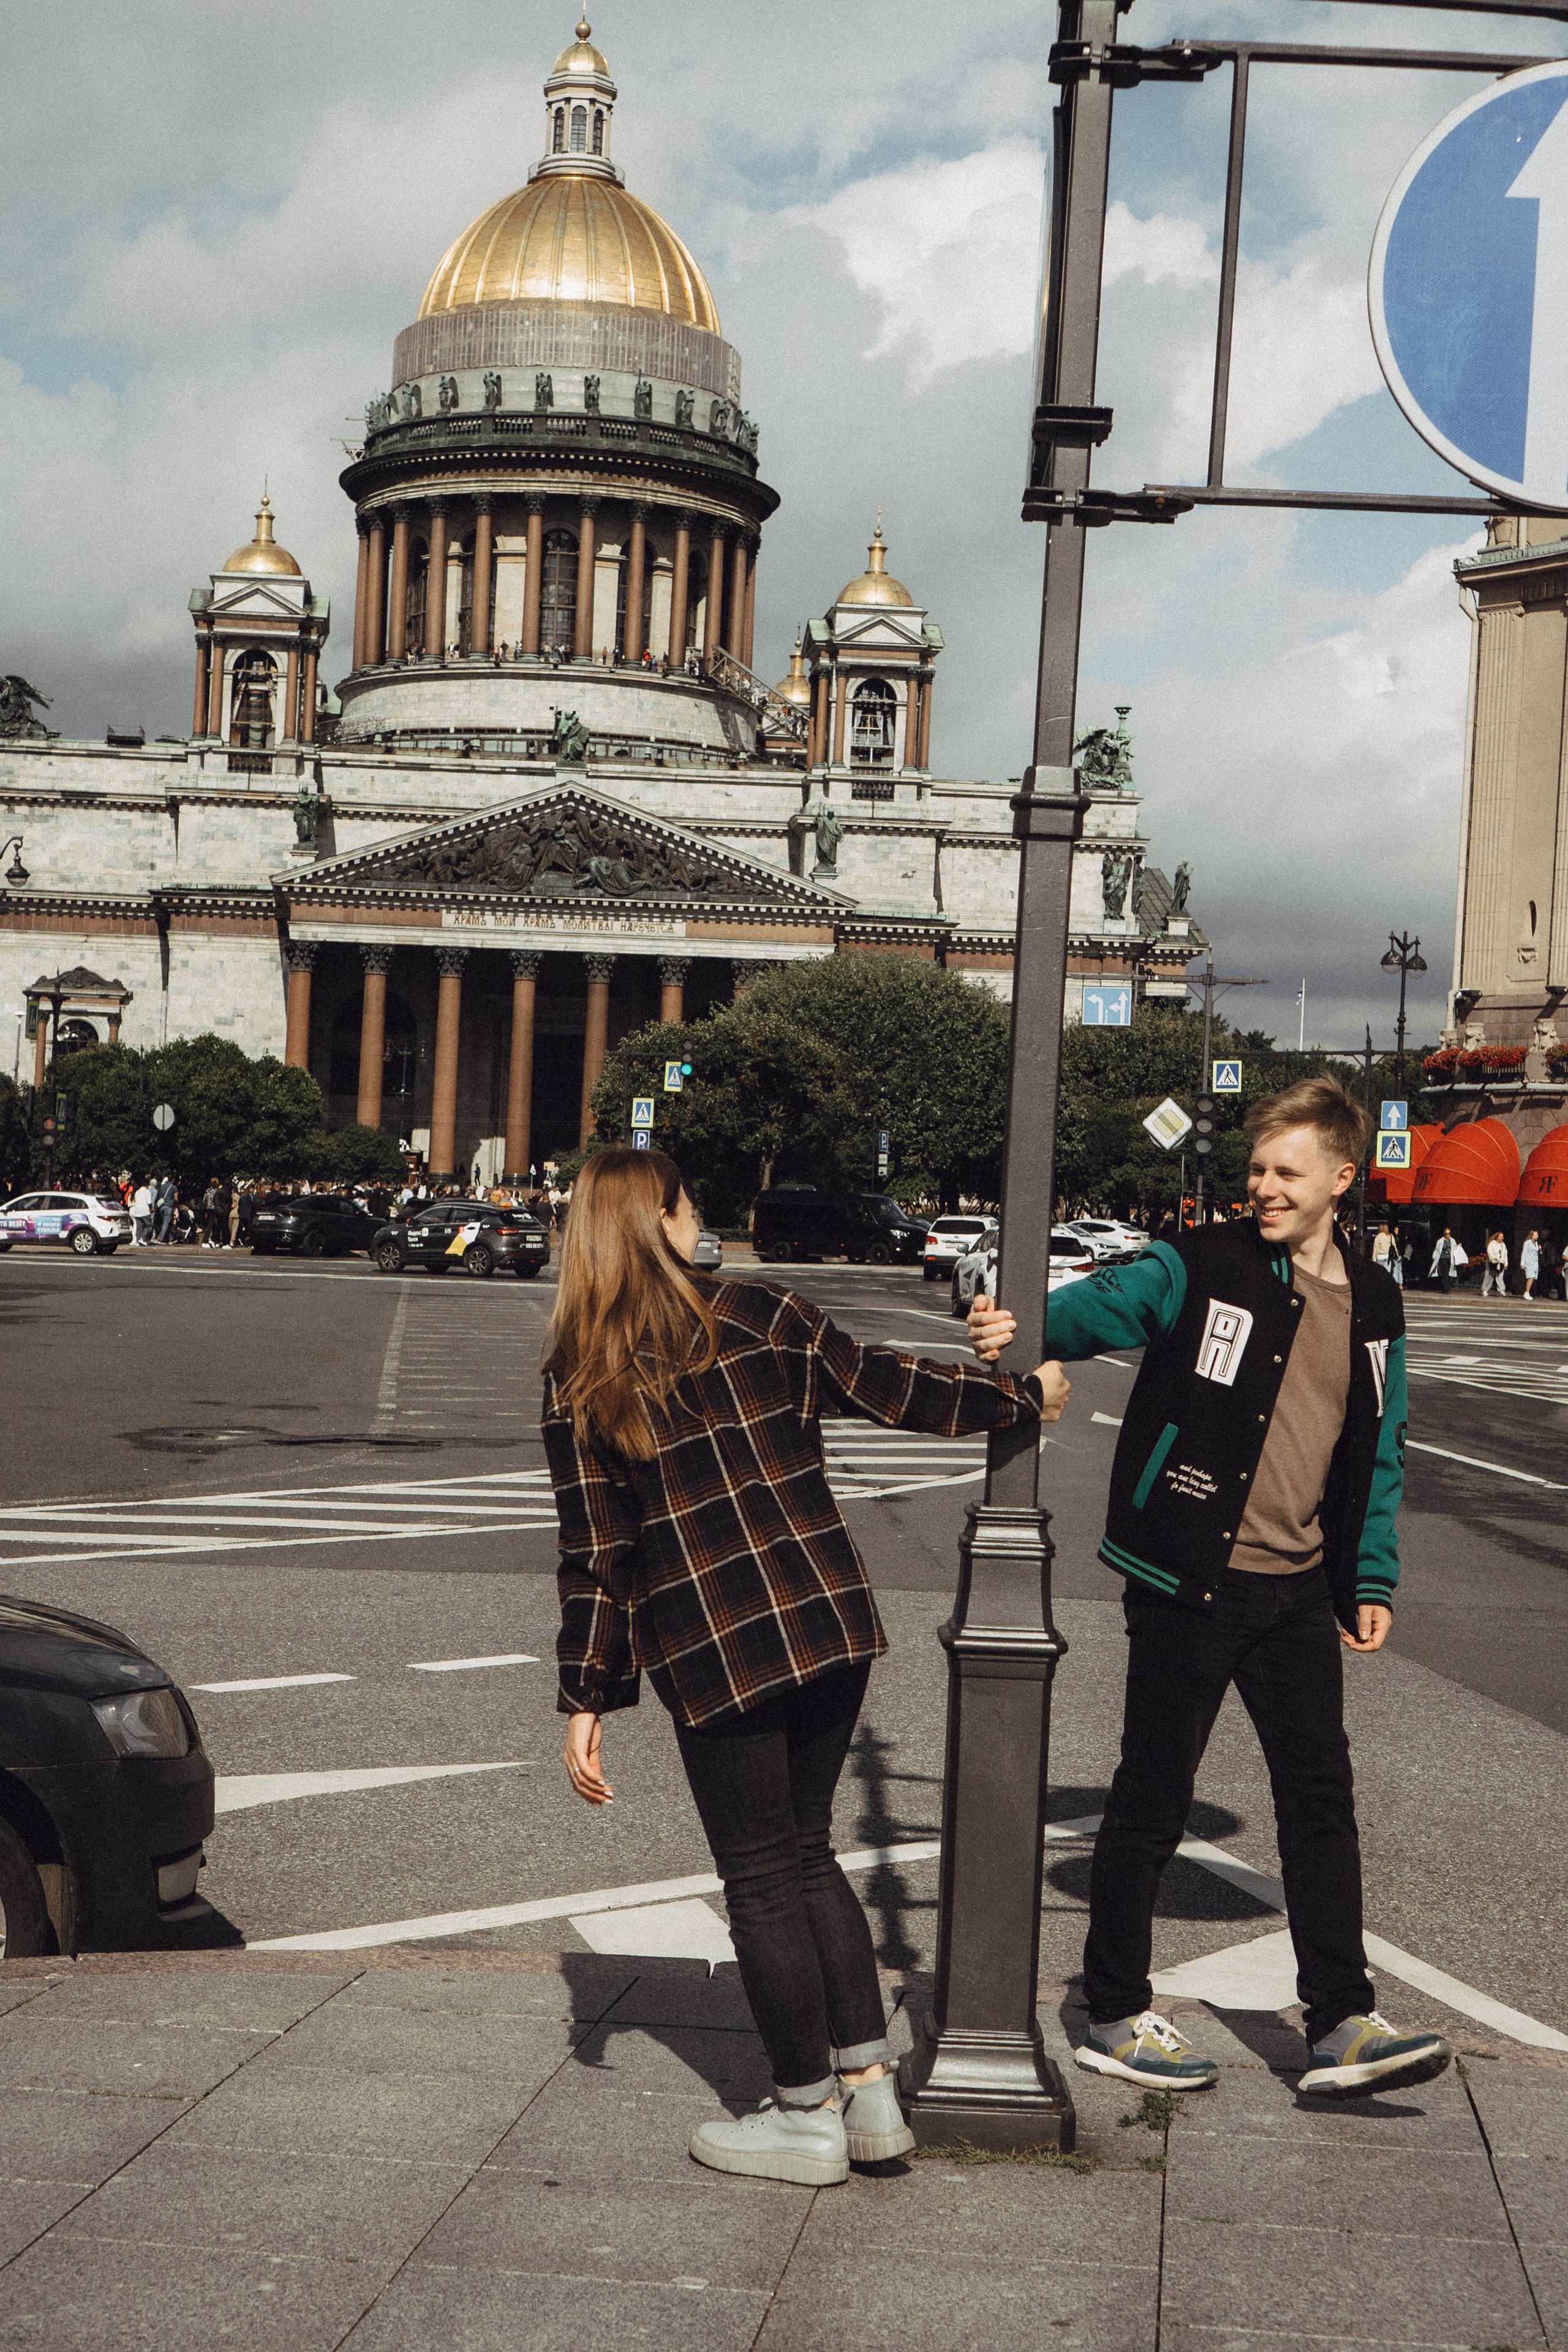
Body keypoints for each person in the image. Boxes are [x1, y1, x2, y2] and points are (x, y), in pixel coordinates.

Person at [543, 1146, 1069, 2187]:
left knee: (759, 1876)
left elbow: (597, 1553)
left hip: (713, 1643)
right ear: (662, 1219)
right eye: (689, 1203)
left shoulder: (582, 1375)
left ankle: (801, 2112)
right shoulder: (761, 1311)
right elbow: (891, 1387)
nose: (700, 1218)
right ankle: (867, 2090)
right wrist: (1019, 1398)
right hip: (827, 1620)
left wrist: (587, 1696)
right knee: (808, 1850)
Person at [970, 1076, 1451, 2099]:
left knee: (1321, 1802)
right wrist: (1012, 1328)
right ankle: (1114, 2012)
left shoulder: (1375, 1300)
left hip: (1298, 1588)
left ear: (1341, 1178)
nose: (1265, 1187)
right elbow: (1089, 1313)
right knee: (1154, 1795)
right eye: (1258, 1170)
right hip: (1190, 1574)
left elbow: (1382, 1445)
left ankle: (1341, 2021)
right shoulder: (1201, 1262)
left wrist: (1369, 1572)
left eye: (1287, 1172)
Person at [1428, 1226, 1463, 1292]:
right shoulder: (1440, 1241)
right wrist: (1434, 1256)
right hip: (1443, 1258)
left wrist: (1459, 1246)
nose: (1448, 1235)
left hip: (1449, 1259)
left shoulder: (1452, 1241)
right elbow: (1437, 1250)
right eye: (1446, 1234)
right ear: (1444, 1234)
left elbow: (1455, 1249)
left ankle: (1445, 1287)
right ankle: (1446, 1287)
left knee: (1447, 1272)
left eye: (1449, 1233)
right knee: (1445, 1272)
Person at [1481, 1229, 1509, 1298]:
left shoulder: (1503, 1245)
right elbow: (1489, 1252)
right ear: (1497, 1237)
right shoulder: (1492, 1244)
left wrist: (1506, 1264)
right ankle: (1485, 1290)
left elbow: (1505, 1255)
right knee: (1489, 1276)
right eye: (1501, 1237)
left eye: (1503, 1237)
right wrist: (1493, 1258)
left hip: (1501, 1263)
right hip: (1493, 1263)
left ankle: (1502, 1290)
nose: (1502, 1238)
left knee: (1500, 1277)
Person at [129, 1178, 153, 1247]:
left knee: (139, 1227)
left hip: (137, 1211)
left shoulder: (137, 1192)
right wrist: (151, 1208)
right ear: (147, 1185)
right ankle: (143, 1238)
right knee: (149, 1226)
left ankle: (137, 1241)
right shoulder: (147, 1192)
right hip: (145, 1211)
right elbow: (149, 1202)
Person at [154, 1172, 175, 1245]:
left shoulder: (162, 1186)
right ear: (173, 1180)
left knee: (167, 1222)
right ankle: (161, 1239)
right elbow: (176, 1198)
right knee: (166, 1223)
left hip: (161, 1206)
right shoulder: (173, 1187)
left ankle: (170, 1239)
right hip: (169, 1206)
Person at [1520, 1228, 1540, 1300]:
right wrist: (1522, 1264)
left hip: (1535, 1264)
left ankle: (1528, 1292)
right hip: (1529, 1262)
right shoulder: (1527, 1243)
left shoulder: (1536, 1243)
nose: (1537, 1236)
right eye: (1536, 1235)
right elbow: (1524, 1253)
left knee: (1533, 1277)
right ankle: (1527, 1292)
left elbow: (1537, 1253)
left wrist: (1539, 1249)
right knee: (1531, 1277)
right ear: (1532, 1236)